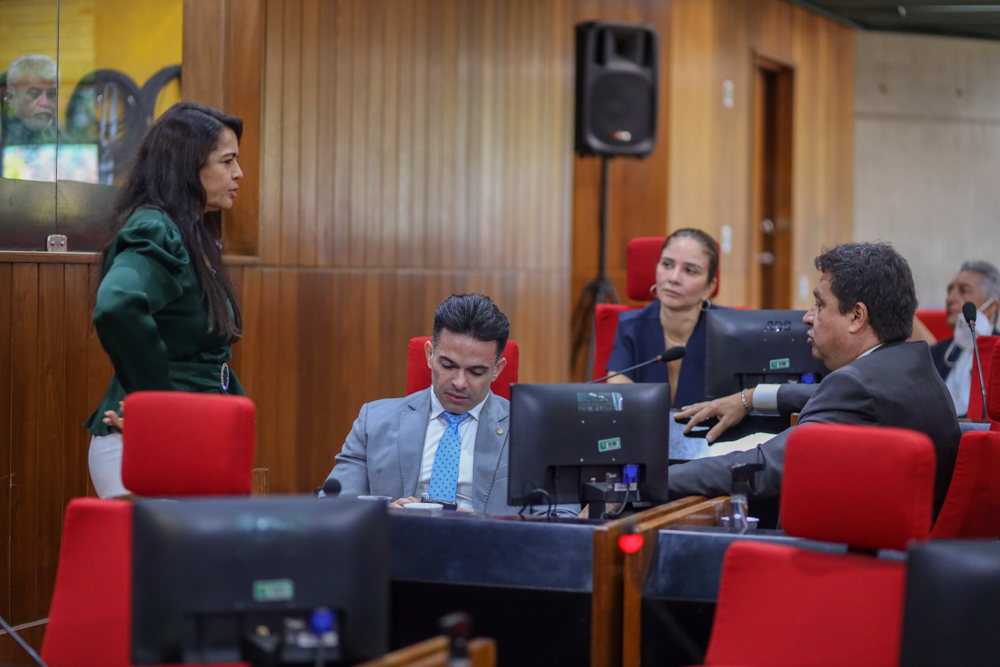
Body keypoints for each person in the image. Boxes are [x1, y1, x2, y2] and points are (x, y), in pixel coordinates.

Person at [672, 242, 961, 517]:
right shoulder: (909, 363)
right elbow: (839, 396)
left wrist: (658, 478)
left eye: (820, 305)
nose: (808, 317)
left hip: (858, 556)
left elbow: (763, 468)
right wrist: (750, 397)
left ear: (857, 316)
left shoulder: (854, 385)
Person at [83, 102, 246, 499]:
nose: (238, 173)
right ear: (187, 166)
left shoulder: (193, 233)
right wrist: (158, 407)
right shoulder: (156, 228)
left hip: (190, 436)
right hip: (149, 443)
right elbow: (116, 304)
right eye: (227, 161)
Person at [324, 294, 518, 514]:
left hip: (486, 544)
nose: (459, 382)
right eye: (448, 366)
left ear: (497, 369)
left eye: (476, 372)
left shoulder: (526, 429)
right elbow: (333, 504)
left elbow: (561, 516)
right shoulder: (374, 421)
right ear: (429, 355)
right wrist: (384, 514)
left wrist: (478, 523)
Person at [605, 228, 723, 407]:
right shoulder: (631, 327)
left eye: (689, 271)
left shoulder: (729, 331)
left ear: (708, 288)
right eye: (667, 265)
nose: (673, 278)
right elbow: (619, 401)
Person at [929, 261, 1000, 416]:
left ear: (990, 307)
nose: (950, 298)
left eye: (963, 291)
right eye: (950, 290)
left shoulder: (998, 351)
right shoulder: (933, 354)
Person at [1, 54, 62, 179]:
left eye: (51, 94)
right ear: (11, 98)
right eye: (34, 94)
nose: (44, 102)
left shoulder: (69, 142)